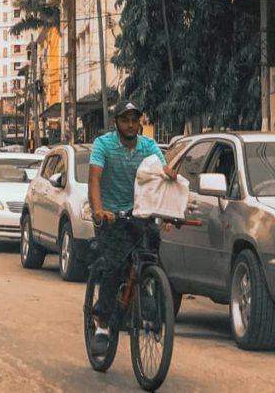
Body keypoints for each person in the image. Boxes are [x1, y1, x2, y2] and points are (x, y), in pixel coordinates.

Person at [87, 100, 177, 357]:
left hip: (140, 214)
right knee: (114, 265)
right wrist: (99, 210)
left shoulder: (148, 146)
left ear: (140, 123)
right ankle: (102, 325)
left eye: (134, 120)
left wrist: (169, 205)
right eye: (124, 120)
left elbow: (162, 175)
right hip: (112, 218)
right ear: (116, 122)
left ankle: (146, 290)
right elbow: (95, 180)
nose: (130, 124)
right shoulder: (103, 145)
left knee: (152, 252)